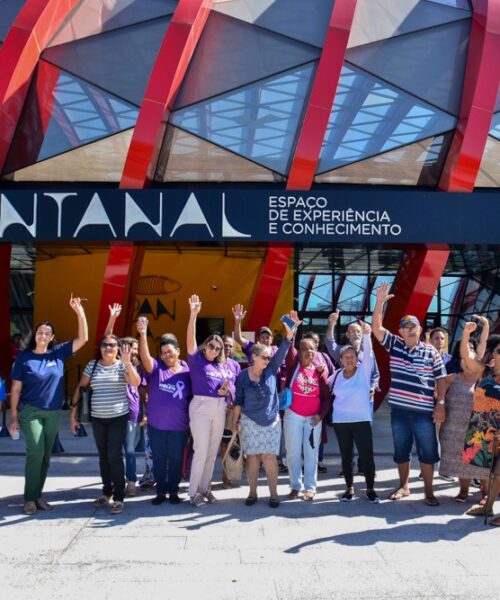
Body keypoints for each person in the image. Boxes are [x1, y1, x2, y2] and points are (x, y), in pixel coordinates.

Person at [8, 296, 88, 515]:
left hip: (53, 413)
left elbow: (83, 338)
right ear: (35, 335)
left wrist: (79, 311)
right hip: (30, 412)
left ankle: (38, 495)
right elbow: (15, 389)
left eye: (47, 333)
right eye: (39, 332)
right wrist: (13, 416)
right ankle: (29, 499)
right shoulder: (24, 359)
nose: (42, 335)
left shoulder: (58, 353)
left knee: (45, 456)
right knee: (36, 451)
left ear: (52, 337)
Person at [372, 281, 447, 506]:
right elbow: (376, 329)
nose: (410, 330)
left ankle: (429, 491)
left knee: (428, 453)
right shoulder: (395, 345)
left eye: (413, 326)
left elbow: (441, 378)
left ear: (420, 330)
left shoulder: (431, 351)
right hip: (400, 412)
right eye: (406, 327)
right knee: (401, 451)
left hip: (425, 412)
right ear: (401, 331)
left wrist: (441, 402)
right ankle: (403, 486)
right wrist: (379, 303)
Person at [70, 335, 141, 514]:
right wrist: (72, 414)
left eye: (112, 345)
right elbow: (80, 387)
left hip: (118, 417)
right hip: (97, 418)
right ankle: (106, 491)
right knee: (103, 455)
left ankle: (118, 497)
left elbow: (135, 382)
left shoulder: (121, 365)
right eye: (104, 345)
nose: (108, 348)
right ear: (100, 347)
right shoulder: (92, 365)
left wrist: (127, 363)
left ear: (118, 348)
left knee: (114, 455)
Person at [232, 316, 296, 507]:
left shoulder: (271, 369)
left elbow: (284, 347)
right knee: (252, 457)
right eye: (265, 357)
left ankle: (274, 494)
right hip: (249, 420)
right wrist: (234, 423)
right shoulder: (242, 376)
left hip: (271, 420)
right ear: (254, 358)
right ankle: (252, 493)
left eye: (270, 357)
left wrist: (290, 330)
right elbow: (238, 400)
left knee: (269, 457)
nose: (269, 359)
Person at [187, 294, 235, 507]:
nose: (215, 350)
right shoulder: (197, 360)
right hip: (201, 407)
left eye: (218, 348)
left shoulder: (221, 366)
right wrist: (193, 315)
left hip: (219, 407)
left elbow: (230, 386)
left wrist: (227, 390)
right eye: (211, 346)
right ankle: (193, 492)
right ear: (205, 346)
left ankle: (205, 488)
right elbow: (189, 341)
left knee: (212, 451)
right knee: (201, 450)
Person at [137, 318, 192, 505]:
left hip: (179, 427)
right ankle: (161, 491)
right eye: (163, 353)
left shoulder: (187, 371)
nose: (167, 355)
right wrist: (143, 334)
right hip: (156, 426)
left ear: (178, 351)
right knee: (159, 459)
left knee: (176, 459)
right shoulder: (157, 368)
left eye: (170, 351)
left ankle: (174, 491)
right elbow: (145, 358)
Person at [325, 310, 380, 476]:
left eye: (358, 331)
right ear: (347, 335)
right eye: (352, 331)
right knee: (346, 437)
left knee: (365, 435)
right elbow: (329, 342)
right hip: (346, 404)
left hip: (365, 402)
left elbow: (375, 374)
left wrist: (372, 386)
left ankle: (364, 466)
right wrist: (332, 323)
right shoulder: (342, 352)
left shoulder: (368, 354)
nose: (355, 333)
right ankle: (347, 466)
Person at [283, 316, 332, 501]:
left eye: (311, 349)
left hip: (313, 420)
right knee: (293, 452)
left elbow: (327, 398)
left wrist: (321, 416)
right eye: (304, 348)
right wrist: (291, 327)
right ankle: (295, 486)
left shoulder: (320, 373)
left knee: (311, 453)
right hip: (293, 416)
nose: (308, 352)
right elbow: (290, 347)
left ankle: (310, 488)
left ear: (315, 352)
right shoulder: (293, 365)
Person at [439, 334, 490, 503]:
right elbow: (439, 394)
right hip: (454, 427)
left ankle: (485, 492)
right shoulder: (452, 376)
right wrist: (441, 404)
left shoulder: (483, 378)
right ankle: (463, 491)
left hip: (478, 428)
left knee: (480, 460)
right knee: (460, 460)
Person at [459, 322, 500, 525]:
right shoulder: (485, 373)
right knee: (494, 474)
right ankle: (488, 506)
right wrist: (466, 334)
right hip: (485, 434)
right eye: (499, 351)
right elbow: (468, 356)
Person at [104, 303, 145, 497]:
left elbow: (142, 391)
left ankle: (130, 481)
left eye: (135, 348)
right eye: (130, 348)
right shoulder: (116, 362)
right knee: (114, 450)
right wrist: (112, 318)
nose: (133, 352)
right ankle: (114, 481)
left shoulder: (137, 367)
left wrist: (145, 414)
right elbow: (108, 340)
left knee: (129, 449)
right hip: (114, 411)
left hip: (132, 413)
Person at [220, 335, 241, 488]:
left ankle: (226, 475)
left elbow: (239, 387)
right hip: (216, 408)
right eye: (224, 345)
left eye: (230, 346)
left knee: (226, 443)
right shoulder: (212, 363)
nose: (227, 348)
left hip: (231, 409)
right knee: (213, 443)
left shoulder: (235, 365)